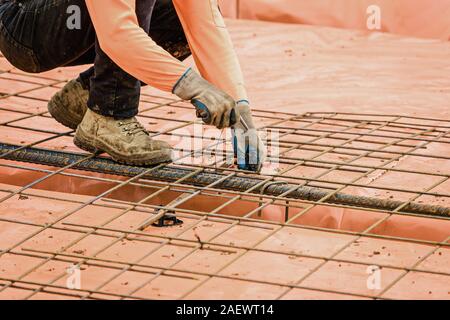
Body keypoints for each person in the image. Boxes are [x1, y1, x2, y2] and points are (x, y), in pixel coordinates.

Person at [0, 0, 265, 171]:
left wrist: (240, 108)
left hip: (72, 16)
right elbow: (118, 32)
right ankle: (108, 115)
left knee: (176, 18)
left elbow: (204, 21)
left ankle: (89, 96)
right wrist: (194, 86)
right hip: (23, 22)